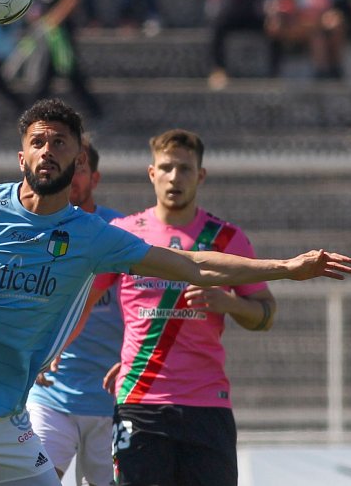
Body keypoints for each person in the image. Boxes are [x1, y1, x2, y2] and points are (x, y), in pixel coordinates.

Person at [0, 97, 351, 486]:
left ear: (79, 159)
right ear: (21, 153)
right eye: (39, 141)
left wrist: (286, 268)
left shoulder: (92, 235)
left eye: (61, 142)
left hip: (1, 414)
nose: (49, 150)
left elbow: (193, 263)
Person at [89, 129, 277, 486]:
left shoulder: (226, 239)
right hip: (141, 402)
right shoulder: (124, 235)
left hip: (208, 405)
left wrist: (229, 302)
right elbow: (82, 302)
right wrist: (51, 349)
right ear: (152, 173)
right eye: (167, 167)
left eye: (185, 169)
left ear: (200, 175)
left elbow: (266, 315)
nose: (175, 177)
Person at [26, 137, 122, 486]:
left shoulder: (121, 232)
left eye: (78, 168)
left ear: (94, 178)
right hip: (50, 394)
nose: (70, 177)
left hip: (110, 401)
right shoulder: (35, 232)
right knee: (35, 480)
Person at [30, 0, 104, 120]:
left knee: (68, 72)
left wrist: (54, 19)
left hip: (62, 36)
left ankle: (95, 112)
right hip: (47, 36)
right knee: (48, 75)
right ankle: (33, 113)